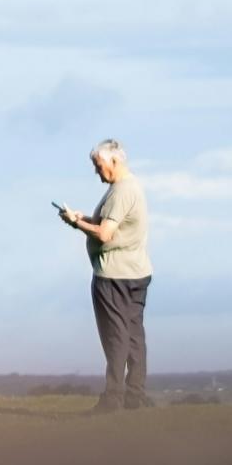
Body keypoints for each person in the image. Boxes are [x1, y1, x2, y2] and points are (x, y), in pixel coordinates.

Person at [58, 139, 152, 412]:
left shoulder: (120, 192)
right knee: (134, 336)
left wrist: (77, 224)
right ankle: (135, 396)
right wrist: (82, 217)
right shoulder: (131, 187)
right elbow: (109, 224)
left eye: (99, 166)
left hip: (114, 276)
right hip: (137, 273)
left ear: (114, 161)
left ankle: (113, 399)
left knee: (116, 337)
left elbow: (105, 234)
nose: (98, 172)